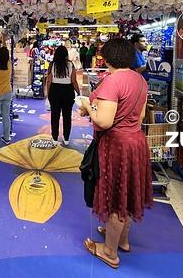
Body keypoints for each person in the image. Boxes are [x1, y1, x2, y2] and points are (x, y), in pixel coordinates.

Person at [79, 38, 152, 269]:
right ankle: (122, 240)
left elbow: (104, 120)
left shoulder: (112, 81)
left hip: (116, 146)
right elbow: (140, 117)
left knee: (114, 197)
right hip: (136, 142)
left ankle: (109, 251)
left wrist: (87, 105)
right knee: (127, 193)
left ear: (107, 58)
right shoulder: (140, 80)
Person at [45, 45, 80, 146]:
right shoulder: (70, 64)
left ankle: (54, 138)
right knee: (67, 116)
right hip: (68, 91)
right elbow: (74, 81)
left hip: (55, 90)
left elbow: (49, 80)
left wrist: (48, 93)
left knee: (54, 115)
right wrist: (78, 92)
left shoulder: (52, 64)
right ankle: (66, 138)